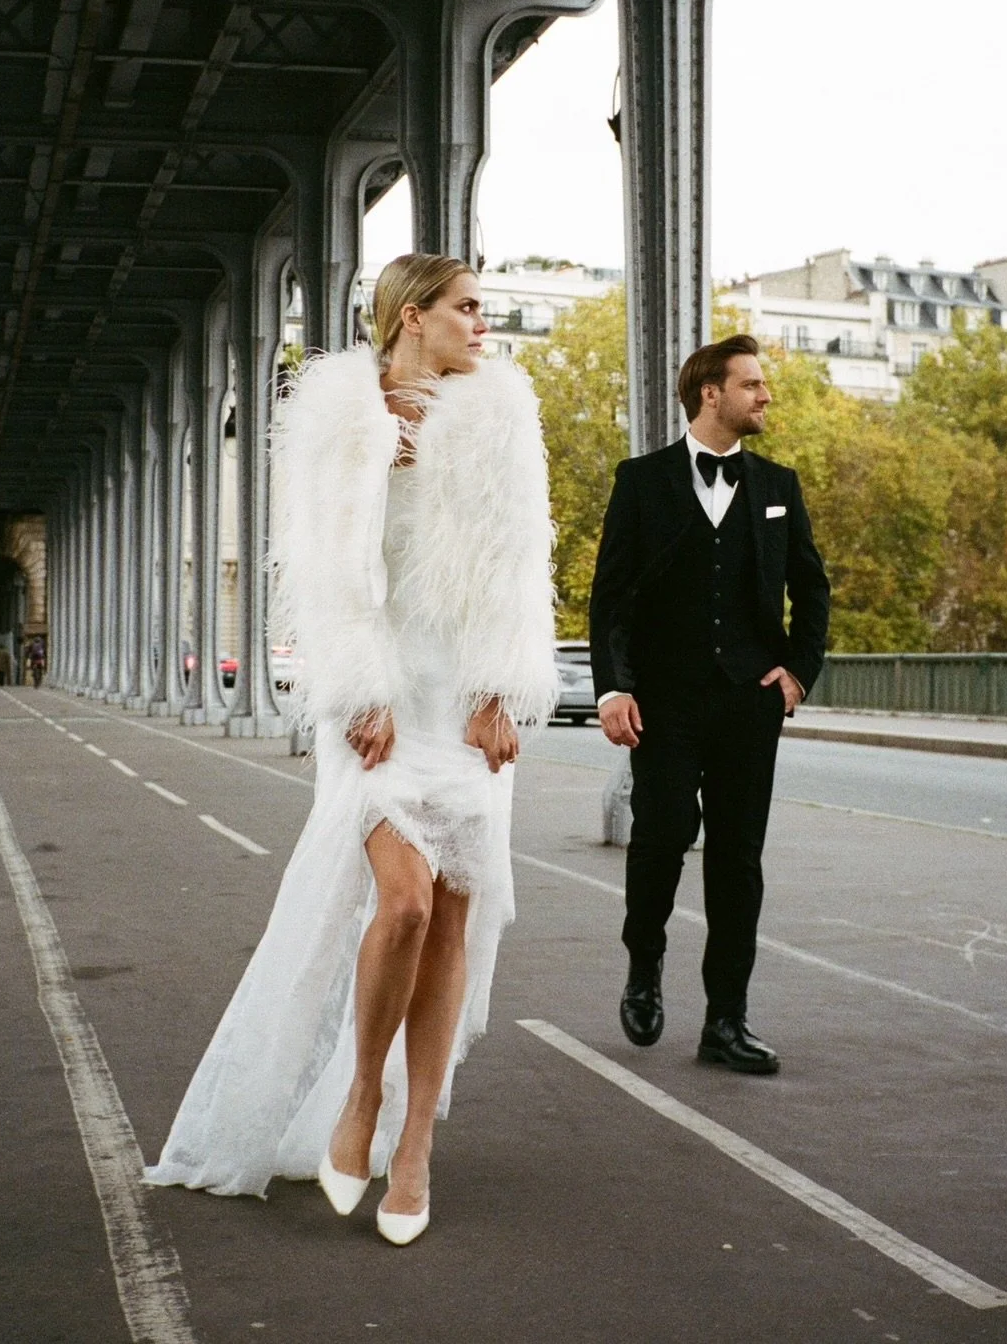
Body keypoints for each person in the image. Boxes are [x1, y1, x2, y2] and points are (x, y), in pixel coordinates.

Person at [146, 253, 557, 1245]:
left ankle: (414, 1141)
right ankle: (360, 1091)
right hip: (378, 695)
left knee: (452, 917)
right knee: (404, 904)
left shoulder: (504, 415)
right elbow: (323, 575)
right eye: (468, 309)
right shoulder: (340, 416)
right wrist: (360, 688)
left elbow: (521, 558)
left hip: (465, 698)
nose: (483, 326)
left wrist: (506, 690)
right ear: (413, 317)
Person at [589, 335, 829, 1075]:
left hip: (748, 704)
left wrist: (797, 672)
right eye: (752, 385)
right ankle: (645, 968)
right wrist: (614, 685)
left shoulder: (780, 485)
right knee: (661, 839)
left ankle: (726, 1020)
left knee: (738, 861)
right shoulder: (641, 481)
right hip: (665, 701)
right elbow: (612, 598)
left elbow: (812, 589)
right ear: (710, 394)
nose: (765, 397)